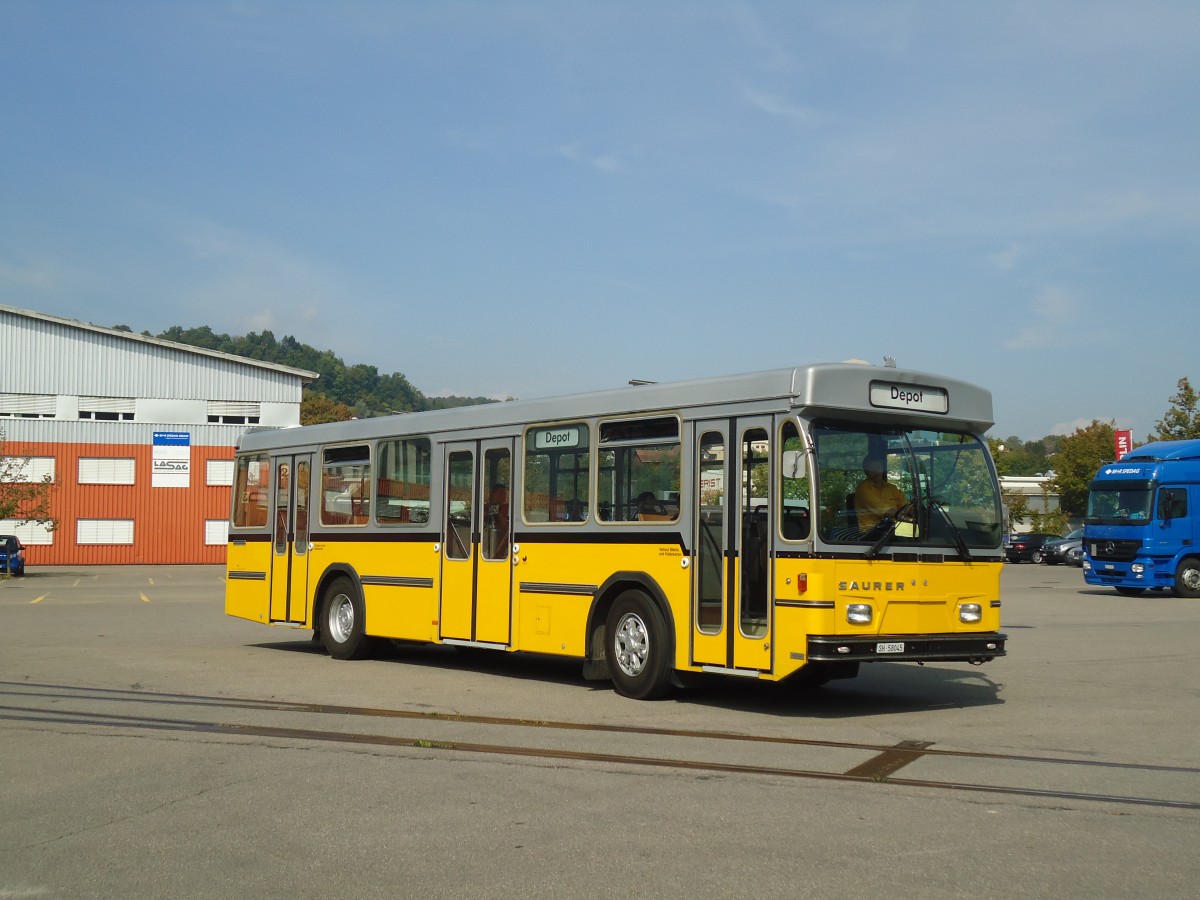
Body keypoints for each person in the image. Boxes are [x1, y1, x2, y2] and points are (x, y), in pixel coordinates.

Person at [854, 455, 909, 531]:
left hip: (892, 528)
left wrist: (913, 513)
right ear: (866, 472)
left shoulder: (892, 488)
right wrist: (901, 516)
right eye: (871, 468)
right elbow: (882, 510)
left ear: (883, 469)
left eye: (878, 467)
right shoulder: (863, 489)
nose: (876, 471)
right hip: (871, 532)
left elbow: (905, 506)